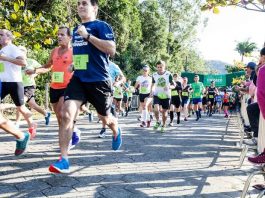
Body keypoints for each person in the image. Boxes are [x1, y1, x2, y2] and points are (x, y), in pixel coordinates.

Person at [49, 0, 121, 173]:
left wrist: (88, 36)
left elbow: (111, 49)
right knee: (65, 114)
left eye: (84, 3)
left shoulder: (101, 26)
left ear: (94, 8)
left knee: (105, 118)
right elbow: (82, 54)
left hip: (99, 80)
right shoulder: (75, 29)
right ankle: (64, 159)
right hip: (79, 79)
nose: (80, 6)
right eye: (78, 4)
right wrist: (75, 65)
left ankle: (115, 128)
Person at [0, 29, 37, 138]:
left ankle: (31, 125)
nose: (0, 36)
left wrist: (6, 58)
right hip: (3, 83)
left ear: (9, 37)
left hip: (14, 82)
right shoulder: (2, 50)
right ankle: (6, 125)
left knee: (21, 108)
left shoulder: (13, 49)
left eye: (1, 34)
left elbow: (23, 62)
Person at [15, 46, 51, 127]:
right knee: (32, 105)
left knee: (20, 103)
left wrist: (35, 73)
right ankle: (46, 113)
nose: (20, 53)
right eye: (18, 52)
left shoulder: (31, 62)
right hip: (19, 86)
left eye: (22, 52)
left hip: (29, 86)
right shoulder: (16, 63)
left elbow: (44, 68)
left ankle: (17, 123)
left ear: (25, 53)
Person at [98, 60, 124, 138]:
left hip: (108, 90)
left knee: (103, 110)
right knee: (101, 111)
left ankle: (103, 129)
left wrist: (117, 83)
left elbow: (123, 77)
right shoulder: (96, 62)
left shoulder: (114, 66)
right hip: (97, 90)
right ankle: (114, 121)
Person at [151, 60, 175, 132]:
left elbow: (174, 85)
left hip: (166, 95)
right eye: (158, 67)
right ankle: (158, 121)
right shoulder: (154, 74)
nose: (159, 69)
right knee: (156, 109)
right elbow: (152, 85)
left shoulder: (168, 74)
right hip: (157, 94)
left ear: (164, 67)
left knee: (164, 113)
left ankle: (164, 125)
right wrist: (151, 91)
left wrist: (169, 87)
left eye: (161, 67)